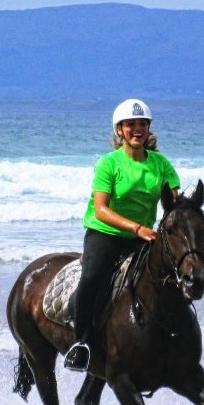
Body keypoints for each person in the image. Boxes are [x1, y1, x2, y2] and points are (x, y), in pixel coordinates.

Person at [64, 99, 181, 371]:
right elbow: (102, 210)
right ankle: (81, 343)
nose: (137, 129)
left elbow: (173, 205)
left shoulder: (162, 165)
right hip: (106, 234)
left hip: (144, 236)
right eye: (131, 125)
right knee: (92, 278)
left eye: (143, 124)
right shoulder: (109, 164)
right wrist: (136, 228)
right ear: (120, 130)